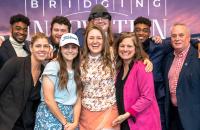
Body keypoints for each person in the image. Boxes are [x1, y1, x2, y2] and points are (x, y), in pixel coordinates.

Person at [0, 32, 50, 130]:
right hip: (6, 123)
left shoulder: (45, 73)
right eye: (38, 46)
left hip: (28, 126)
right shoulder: (15, 63)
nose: (42, 49)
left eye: (46, 46)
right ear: (31, 48)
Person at [112, 32, 161, 130]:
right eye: (122, 46)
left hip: (143, 123)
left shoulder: (143, 67)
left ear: (136, 48)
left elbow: (147, 97)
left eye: (129, 46)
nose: (125, 49)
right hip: (125, 122)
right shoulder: (119, 68)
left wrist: (128, 114)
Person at [34, 33, 82, 130]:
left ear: (78, 50)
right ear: (60, 50)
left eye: (73, 47)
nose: (70, 50)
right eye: (66, 47)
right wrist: (65, 123)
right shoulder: (52, 66)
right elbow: (48, 99)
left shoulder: (77, 70)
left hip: (70, 118)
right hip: (50, 116)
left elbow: (77, 99)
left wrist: (75, 122)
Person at [79, 24, 119, 130]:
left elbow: (131, 50)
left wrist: (145, 59)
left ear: (104, 40)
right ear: (86, 41)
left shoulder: (113, 55)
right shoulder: (79, 60)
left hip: (109, 110)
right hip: (86, 113)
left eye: (99, 38)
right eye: (91, 38)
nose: (95, 41)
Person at [163, 23, 200, 130]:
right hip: (173, 117)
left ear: (189, 38)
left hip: (194, 118)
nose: (177, 39)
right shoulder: (168, 58)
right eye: (174, 36)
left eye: (181, 35)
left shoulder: (198, 56)